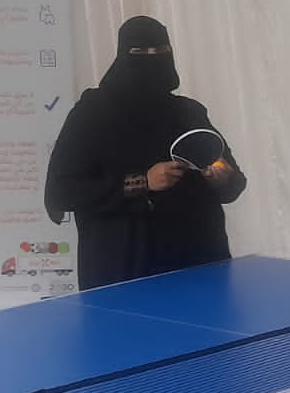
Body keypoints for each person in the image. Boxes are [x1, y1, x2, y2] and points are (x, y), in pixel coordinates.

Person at [44, 15, 247, 290]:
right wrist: (143, 182)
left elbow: (232, 184)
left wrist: (219, 173)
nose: (152, 59)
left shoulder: (188, 112)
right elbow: (62, 191)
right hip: (125, 270)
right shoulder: (93, 113)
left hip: (198, 268)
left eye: (160, 50)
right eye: (141, 52)